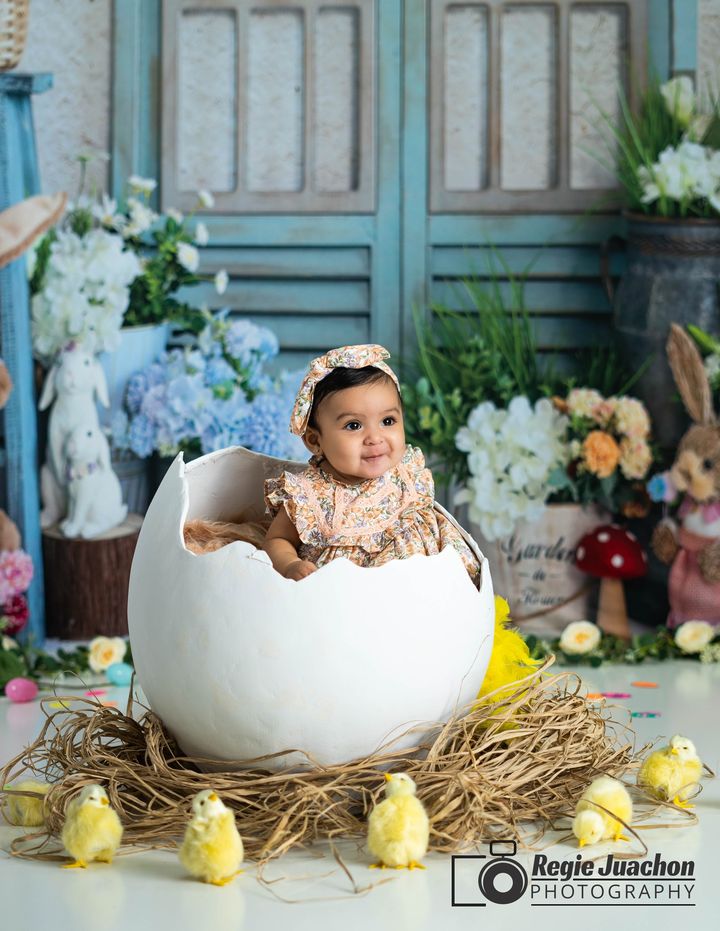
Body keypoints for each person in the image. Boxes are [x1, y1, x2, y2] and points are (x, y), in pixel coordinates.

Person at [262, 344, 481, 585]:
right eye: (353, 425)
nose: (375, 438)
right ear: (315, 441)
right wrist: (290, 564)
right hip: (352, 599)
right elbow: (277, 540)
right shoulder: (308, 494)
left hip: (425, 586)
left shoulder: (405, 472)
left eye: (388, 421)